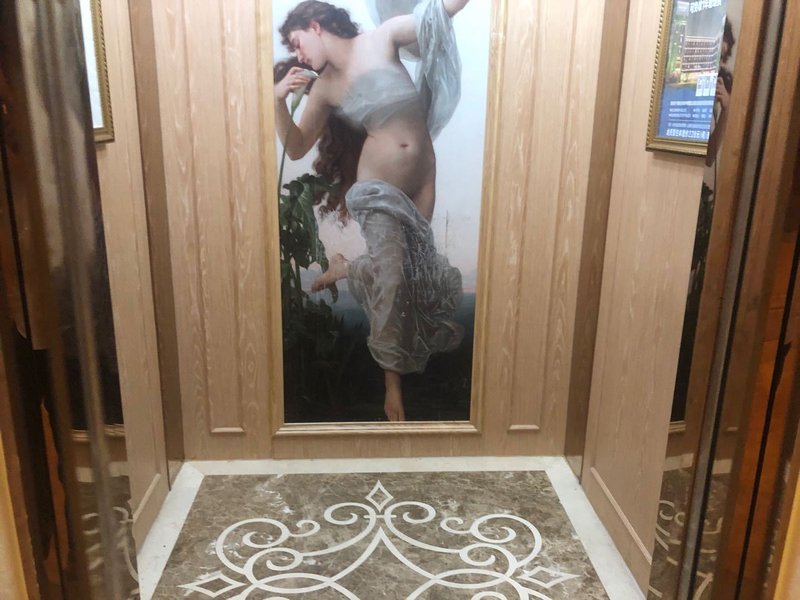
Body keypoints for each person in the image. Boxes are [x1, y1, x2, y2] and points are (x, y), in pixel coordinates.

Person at [274, 0, 470, 421]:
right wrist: (277, 101)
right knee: (394, 278)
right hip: (378, 187)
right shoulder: (324, 88)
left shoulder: (382, 39)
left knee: (412, 272)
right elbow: (297, 146)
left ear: (315, 25)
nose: (299, 55)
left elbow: (436, 15)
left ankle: (347, 268)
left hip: (423, 178)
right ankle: (392, 387)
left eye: (297, 42)